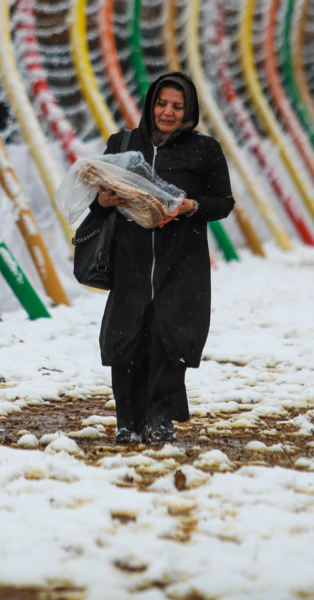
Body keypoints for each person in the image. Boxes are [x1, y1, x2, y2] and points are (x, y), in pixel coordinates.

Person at [88, 72, 234, 444]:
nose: (167, 112)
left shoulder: (205, 150)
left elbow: (223, 203)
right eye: (161, 103)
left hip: (181, 260)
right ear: (151, 103)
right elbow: (101, 200)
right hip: (131, 259)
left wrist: (190, 206)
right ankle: (127, 420)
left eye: (177, 106)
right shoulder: (124, 144)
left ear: (189, 111)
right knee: (127, 338)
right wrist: (102, 201)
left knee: (168, 338)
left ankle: (159, 417)